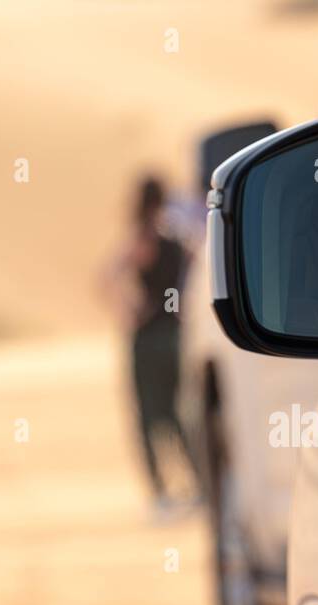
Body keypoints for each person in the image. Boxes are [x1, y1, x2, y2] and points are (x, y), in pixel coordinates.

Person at [110, 175, 198, 517]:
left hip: (148, 338)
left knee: (149, 415)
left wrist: (129, 308)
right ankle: (198, 485)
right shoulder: (179, 237)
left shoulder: (142, 239)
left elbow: (106, 277)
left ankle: (161, 492)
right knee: (180, 412)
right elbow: (195, 272)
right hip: (176, 335)